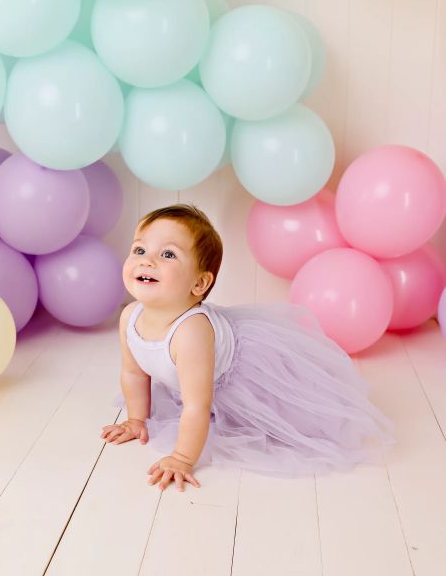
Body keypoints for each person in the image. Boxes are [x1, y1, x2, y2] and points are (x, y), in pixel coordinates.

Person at [100, 204, 395, 492]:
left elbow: (196, 406)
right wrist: (136, 420)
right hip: (191, 376)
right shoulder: (129, 316)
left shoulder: (191, 333)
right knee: (182, 388)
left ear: (199, 283)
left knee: (284, 420)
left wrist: (182, 458)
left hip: (241, 375)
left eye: (167, 254)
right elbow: (135, 374)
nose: (146, 261)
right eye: (139, 250)